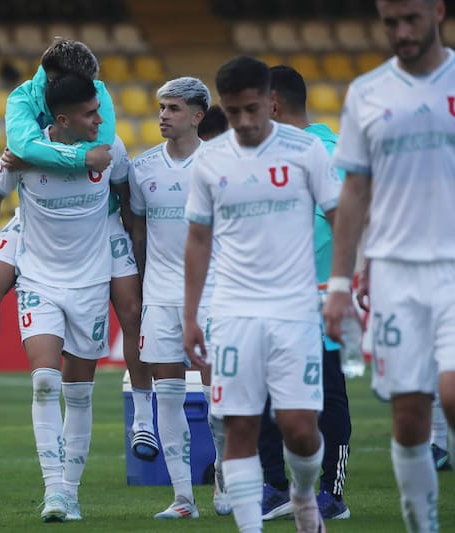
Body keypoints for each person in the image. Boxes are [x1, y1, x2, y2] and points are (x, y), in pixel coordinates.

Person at [0, 38, 157, 462]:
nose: (96, 110)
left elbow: (107, 160)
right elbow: (12, 166)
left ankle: (145, 417)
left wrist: (140, 253)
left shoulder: (97, 106)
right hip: (36, 221)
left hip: (101, 221)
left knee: (133, 310)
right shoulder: (23, 100)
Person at [183, 56, 341, 533]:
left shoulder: (306, 151)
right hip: (233, 312)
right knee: (240, 426)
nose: (245, 122)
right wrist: (191, 315)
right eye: (234, 113)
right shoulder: (210, 159)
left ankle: (304, 494)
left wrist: (342, 285)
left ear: (271, 101)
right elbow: (198, 238)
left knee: (299, 429)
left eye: (253, 109)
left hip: (295, 310)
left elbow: (339, 216)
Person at [323, 0, 455, 530]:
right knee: (409, 417)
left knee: (451, 391)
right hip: (395, 272)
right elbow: (353, 191)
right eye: (389, 22)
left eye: (411, 19)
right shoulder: (367, 93)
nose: (401, 31)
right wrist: (339, 282)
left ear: (438, 11)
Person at [0, 74, 130, 522]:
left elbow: (129, 200)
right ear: (63, 120)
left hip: (89, 284)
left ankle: (71, 491)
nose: (100, 121)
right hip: (39, 281)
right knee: (45, 381)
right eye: (91, 114)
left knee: (80, 392)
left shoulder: (111, 150)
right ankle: (54, 492)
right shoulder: (23, 153)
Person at [128, 76, 231, 518]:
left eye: (172, 108)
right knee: (167, 396)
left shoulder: (221, 163)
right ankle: (184, 498)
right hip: (160, 297)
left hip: (213, 296)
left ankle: (224, 478)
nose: (163, 115)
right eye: (161, 107)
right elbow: (137, 231)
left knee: (219, 399)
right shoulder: (142, 167)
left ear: (197, 115)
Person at [258, 65, 352, 521]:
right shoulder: (273, 153)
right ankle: (275, 486)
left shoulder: (326, 151)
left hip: (316, 293)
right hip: (271, 294)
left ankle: (332, 492)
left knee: (327, 390)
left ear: (272, 103)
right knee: (262, 389)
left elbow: (335, 224)